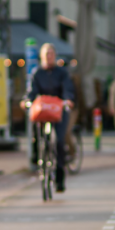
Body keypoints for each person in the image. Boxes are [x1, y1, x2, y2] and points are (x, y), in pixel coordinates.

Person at [25, 43, 75, 192]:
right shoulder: (37, 73)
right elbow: (31, 91)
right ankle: (36, 155)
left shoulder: (62, 73)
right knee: (36, 130)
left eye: (51, 54)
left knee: (59, 141)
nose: (49, 57)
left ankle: (60, 175)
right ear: (41, 56)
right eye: (46, 54)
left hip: (58, 111)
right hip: (43, 110)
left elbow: (68, 89)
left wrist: (68, 100)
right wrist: (27, 100)